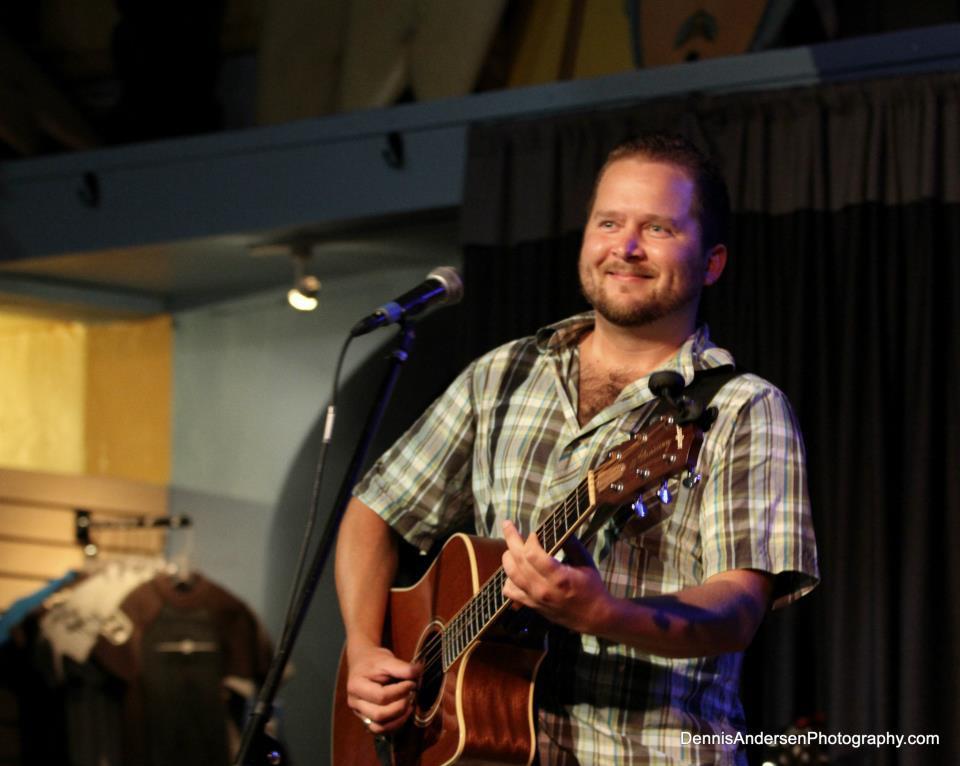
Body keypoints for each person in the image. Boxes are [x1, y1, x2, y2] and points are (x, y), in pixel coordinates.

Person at [334, 132, 819, 765]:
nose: (626, 246)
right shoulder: (502, 374)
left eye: (659, 228)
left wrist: (602, 612)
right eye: (609, 222)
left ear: (712, 262)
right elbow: (374, 510)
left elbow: (737, 611)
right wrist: (364, 647)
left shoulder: (742, 407)